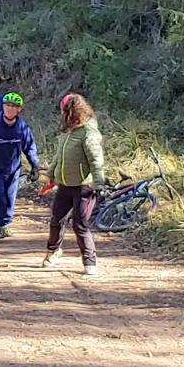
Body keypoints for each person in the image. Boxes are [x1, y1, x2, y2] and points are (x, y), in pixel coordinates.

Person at [43, 93, 105, 276]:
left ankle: (89, 261)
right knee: (56, 219)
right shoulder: (67, 132)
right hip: (65, 185)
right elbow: (58, 157)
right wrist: (51, 176)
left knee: (80, 223)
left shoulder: (89, 133)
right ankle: (53, 251)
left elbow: (96, 161)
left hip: (84, 186)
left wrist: (98, 185)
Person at [0, 91, 40, 240]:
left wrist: (34, 165)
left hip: (13, 169)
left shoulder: (22, 127)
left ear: (19, 109)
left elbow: (29, 147)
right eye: (7, 105)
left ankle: (6, 224)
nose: (10, 109)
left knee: (10, 198)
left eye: (14, 106)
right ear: (3, 107)